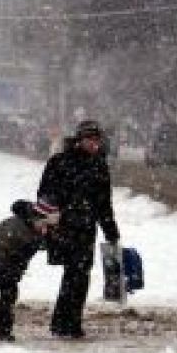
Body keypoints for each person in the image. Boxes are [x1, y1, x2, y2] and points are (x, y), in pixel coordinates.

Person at [37, 120, 121, 339]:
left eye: (97, 140)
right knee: (73, 274)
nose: (94, 144)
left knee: (80, 275)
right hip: (63, 228)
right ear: (79, 139)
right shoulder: (60, 162)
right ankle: (65, 323)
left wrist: (111, 231)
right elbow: (45, 194)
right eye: (89, 139)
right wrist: (49, 220)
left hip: (86, 229)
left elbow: (103, 203)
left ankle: (69, 322)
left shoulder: (99, 166)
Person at [0, 199, 60, 341]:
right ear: (39, 219)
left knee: (8, 294)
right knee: (9, 294)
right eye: (45, 225)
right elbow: (34, 244)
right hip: (1, 262)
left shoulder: (27, 222)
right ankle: (1, 329)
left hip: (5, 262)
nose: (46, 229)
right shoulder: (22, 229)